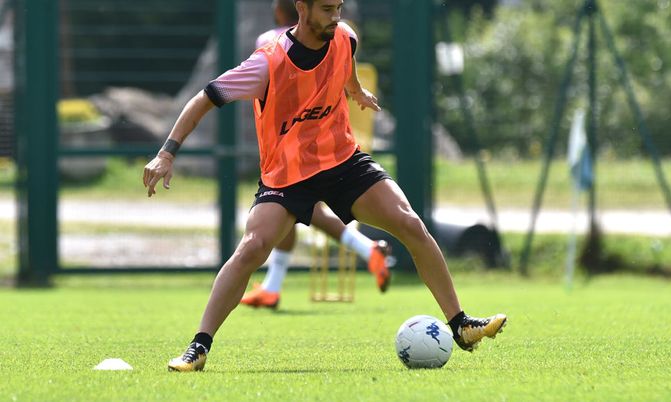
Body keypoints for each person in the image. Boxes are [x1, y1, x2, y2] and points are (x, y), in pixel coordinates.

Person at [142, 0, 507, 372]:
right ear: (302, 8)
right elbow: (203, 99)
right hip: (286, 176)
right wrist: (167, 153)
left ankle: (460, 325)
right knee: (252, 249)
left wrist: (356, 91)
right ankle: (198, 347)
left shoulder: (345, 37)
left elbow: (345, 66)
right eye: (327, 10)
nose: (336, 17)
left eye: (339, 8)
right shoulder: (267, 63)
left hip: (343, 162)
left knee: (410, 224)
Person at [241, 0, 392, 309]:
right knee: (301, 212)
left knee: (290, 208)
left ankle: (274, 285)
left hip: (290, 147)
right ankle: (275, 284)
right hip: (325, 141)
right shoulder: (336, 38)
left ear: (288, 10)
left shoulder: (269, 41)